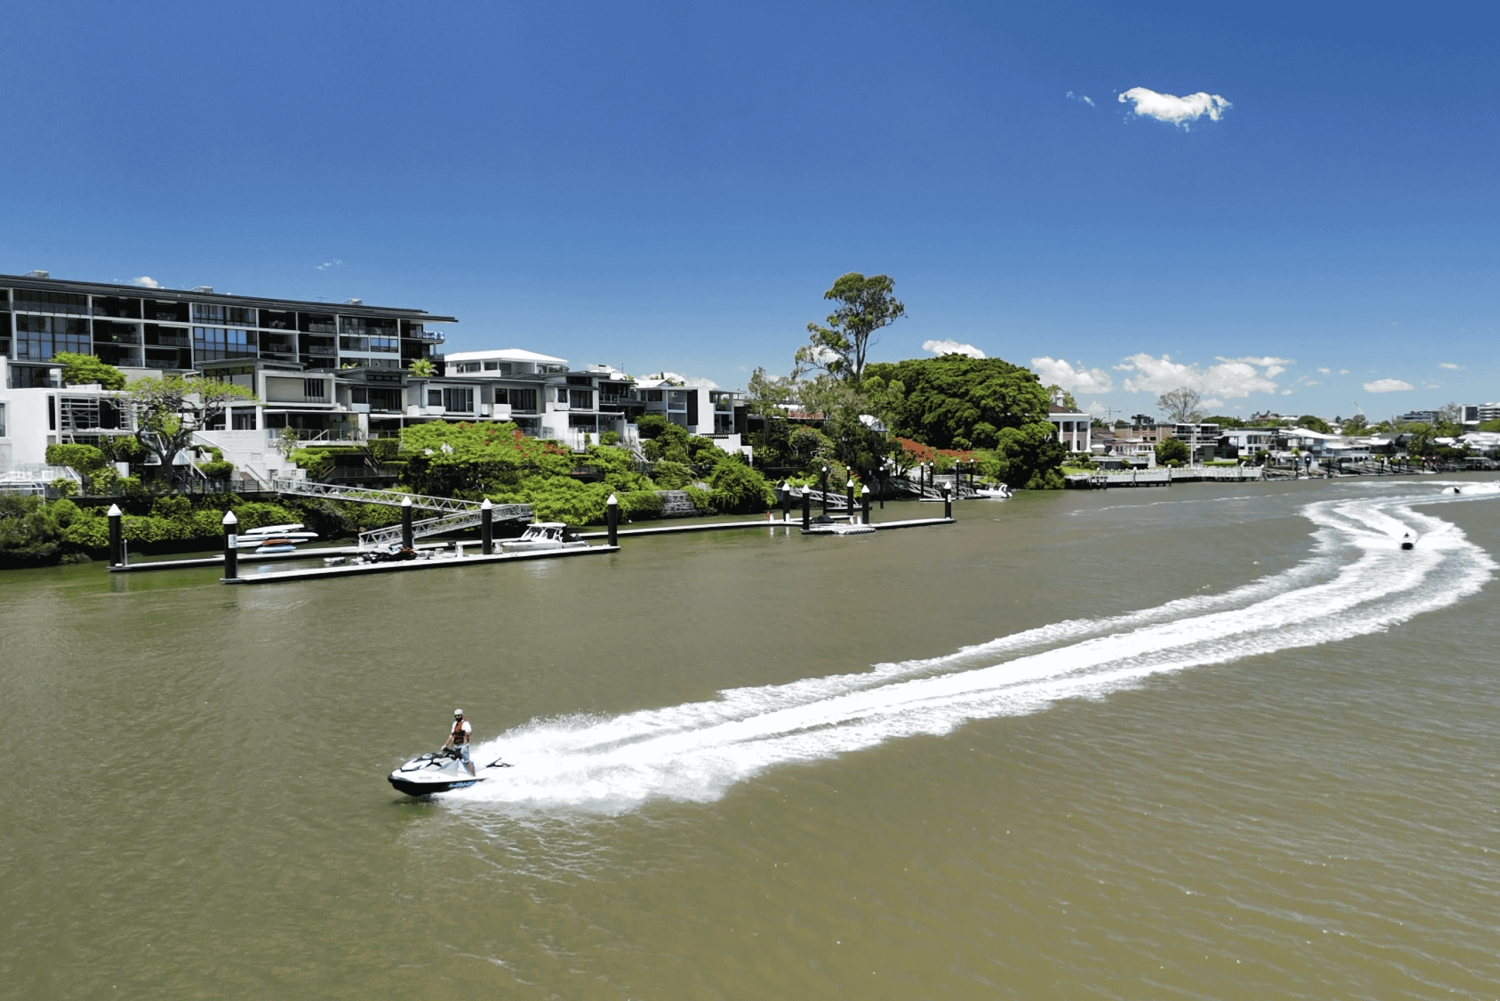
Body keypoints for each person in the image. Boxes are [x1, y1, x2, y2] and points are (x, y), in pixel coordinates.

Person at [444, 709, 474, 776]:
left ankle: (473, 775)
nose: (457, 717)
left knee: (466, 761)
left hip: (464, 746)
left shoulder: (465, 724)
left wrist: (466, 739)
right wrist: (445, 745)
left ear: (462, 715)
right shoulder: (454, 724)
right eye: (456, 716)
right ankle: (455, 774)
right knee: (456, 759)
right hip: (457, 746)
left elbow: (469, 732)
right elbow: (452, 735)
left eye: (459, 715)